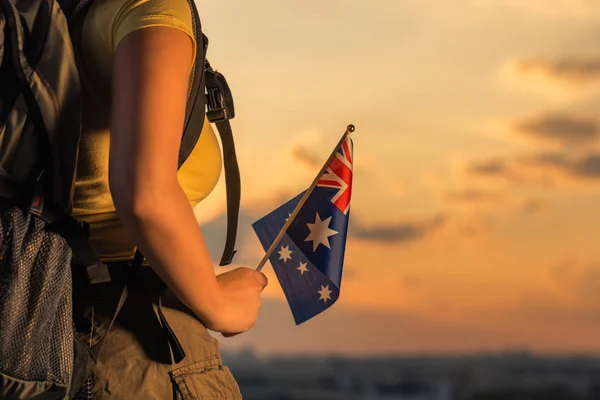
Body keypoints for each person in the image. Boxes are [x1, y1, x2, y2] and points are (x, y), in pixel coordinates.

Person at [69, 0, 267, 397]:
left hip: (32, 322)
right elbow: (147, 196)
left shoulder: (45, 16)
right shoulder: (151, 7)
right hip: (133, 347)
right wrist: (217, 304)